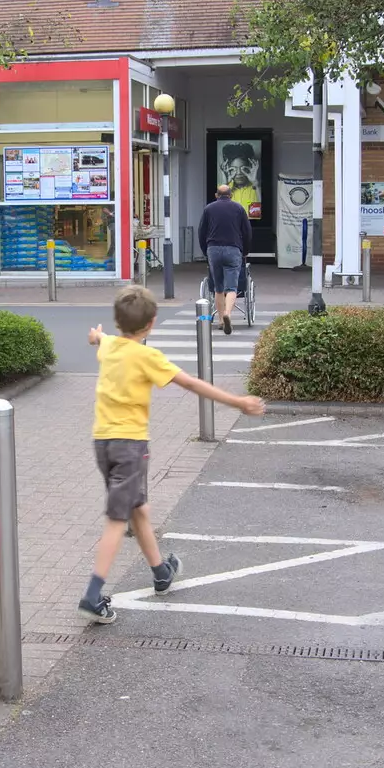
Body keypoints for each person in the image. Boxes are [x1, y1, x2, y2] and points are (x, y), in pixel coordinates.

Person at [79, 285, 265, 623]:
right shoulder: (147, 357)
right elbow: (192, 384)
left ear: (118, 322)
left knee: (137, 508)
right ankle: (93, 594)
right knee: (117, 519)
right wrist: (238, 402)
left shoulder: (110, 348)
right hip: (130, 446)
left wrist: (96, 336)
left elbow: (99, 340)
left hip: (102, 443)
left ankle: (161, 573)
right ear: (151, 324)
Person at [198, 183, 252, 334]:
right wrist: (245, 251)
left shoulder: (208, 209)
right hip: (233, 249)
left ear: (216, 195)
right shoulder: (239, 209)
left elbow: (201, 231)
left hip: (213, 249)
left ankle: (221, 320)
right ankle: (228, 312)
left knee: (218, 287)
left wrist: (205, 251)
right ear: (231, 195)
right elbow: (247, 232)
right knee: (232, 287)